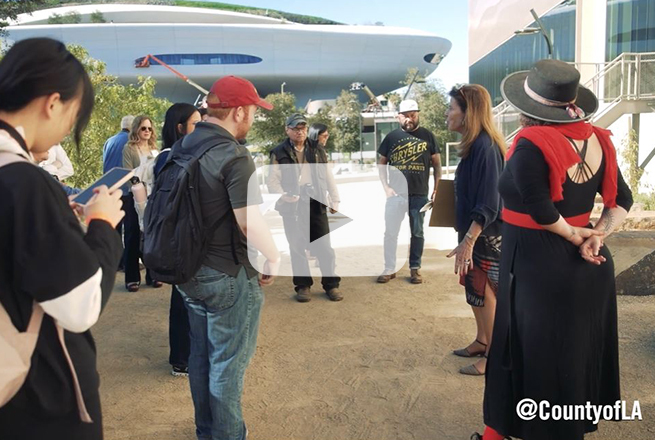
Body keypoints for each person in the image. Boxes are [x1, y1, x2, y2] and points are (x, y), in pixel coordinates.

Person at [475, 59, 633, 440]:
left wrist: (574, 235)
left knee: (532, 351)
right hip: (587, 263)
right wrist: (597, 234)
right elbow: (622, 200)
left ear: (530, 109)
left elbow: (541, 208)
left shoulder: (530, 143)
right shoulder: (599, 138)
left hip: (537, 263)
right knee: (571, 353)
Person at [0, 37, 124, 440]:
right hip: (34, 402)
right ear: (52, 103)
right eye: (73, 116)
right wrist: (102, 224)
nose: (66, 131)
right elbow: (80, 305)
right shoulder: (23, 181)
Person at [175, 75, 280, 440]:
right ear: (238, 111)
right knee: (227, 366)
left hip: (188, 270)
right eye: (252, 110)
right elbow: (249, 222)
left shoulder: (182, 148)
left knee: (201, 358)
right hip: (227, 273)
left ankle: (207, 432)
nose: (253, 117)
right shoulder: (234, 155)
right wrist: (272, 256)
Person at [445, 85, 506, 376]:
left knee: (488, 293)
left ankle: (494, 356)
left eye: (451, 108)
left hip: (485, 233)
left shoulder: (486, 146)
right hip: (472, 232)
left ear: (468, 112)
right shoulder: (474, 146)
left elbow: (490, 201)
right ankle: (482, 340)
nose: (447, 113)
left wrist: (469, 238)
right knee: (474, 289)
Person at [268, 114, 343, 302]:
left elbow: (327, 175)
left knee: (324, 246)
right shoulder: (278, 152)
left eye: (302, 128)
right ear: (287, 130)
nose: (300, 131)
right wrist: (283, 195)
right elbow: (272, 180)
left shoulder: (317, 149)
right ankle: (303, 286)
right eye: (295, 128)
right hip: (292, 205)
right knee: (297, 247)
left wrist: (335, 198)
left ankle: (331, 285)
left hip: (316, 202)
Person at [156, 103, 201, 377]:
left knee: (187, 296)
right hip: (180, 237)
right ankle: (182, 358)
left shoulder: (184, 153)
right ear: (180, 127)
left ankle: (183, 356)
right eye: (196, 123)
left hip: (185, 235)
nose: (201, 128)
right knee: (184, 298)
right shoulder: (169, 157)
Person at [377, 99, 441, 284]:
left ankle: (415, 268)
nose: (409, 119)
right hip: (396, 195)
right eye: (405, 115)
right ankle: (390, 268)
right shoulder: (391, 138)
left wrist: (437, 189)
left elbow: (437, 164)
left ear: (418, 115)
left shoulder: (428, 136)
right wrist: (386, 187)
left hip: (419, 195)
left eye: (412, 115)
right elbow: (381, 163)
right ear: (399, 117)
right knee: (390, 233)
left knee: (417, 233)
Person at [122, 115, 160, 291]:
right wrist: (139, 187)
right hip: (134, 196)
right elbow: (128, 173)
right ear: (137, 129)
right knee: (132, 235)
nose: (146, 131)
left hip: (152, 196)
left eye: (149, 128)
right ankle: (132, 277)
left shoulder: (154, 148)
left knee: (152, 236)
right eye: (143, 128)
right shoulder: (129, 148)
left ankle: (153, 275)